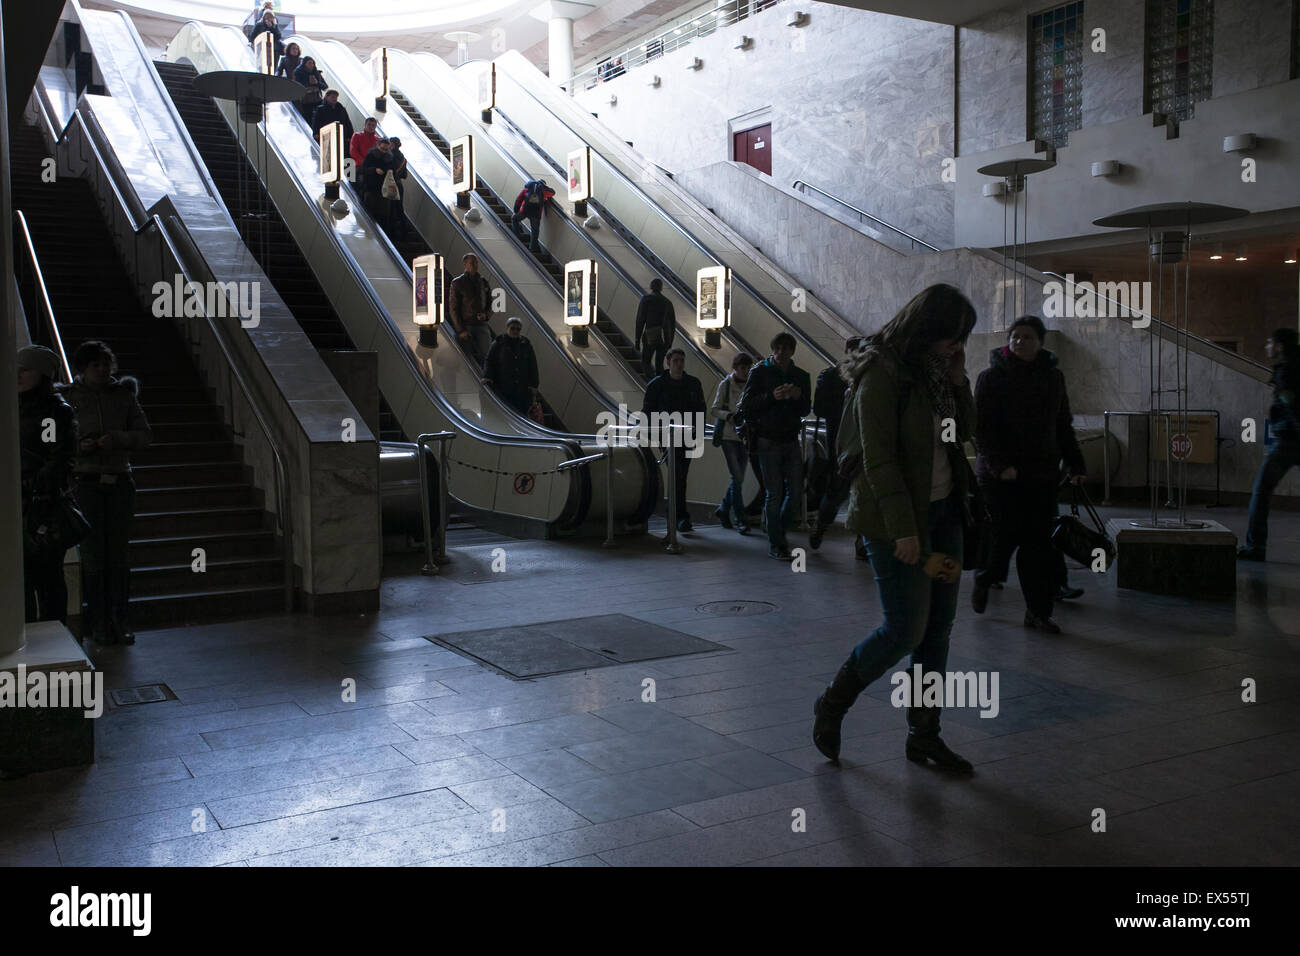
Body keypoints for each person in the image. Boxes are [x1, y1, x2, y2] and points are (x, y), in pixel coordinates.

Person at [811, 283, 977, 771]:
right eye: (952, 336)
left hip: (945, 517)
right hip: (894, 523)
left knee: (937, 631)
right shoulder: (880, 373)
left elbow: (965, 432)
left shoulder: (938, 373)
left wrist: (959, 381)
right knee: (905, 630)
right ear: (927, 328)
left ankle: (924, 735)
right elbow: (878, 458)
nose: (956, 345)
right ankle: (833, 701)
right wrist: (905, 529)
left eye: (961, 338)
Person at [969, 316, 1085, 635]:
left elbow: (1062, 425)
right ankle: (985, 577)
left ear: (1040, 343)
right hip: (1000, 479)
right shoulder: (991, 378)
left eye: (1027, 337)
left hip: (1041, 477)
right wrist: (999, 466)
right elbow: (982, 430)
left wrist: (1075, 464)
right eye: (1015, 336)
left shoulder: (1053, 378)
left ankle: (1038, 612)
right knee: (1001, 541)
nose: (1020, 341)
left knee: (1039, 547)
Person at [61, 341, 151, 645]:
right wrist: (80, 447)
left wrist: (117, 439)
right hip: (85, 482)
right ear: (83, 368)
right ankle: (98, 621)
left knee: (118, 553)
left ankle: (119, 618)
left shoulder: (123, 395)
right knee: (93, 554)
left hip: (119, 479)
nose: (101, 370)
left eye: (105, 364)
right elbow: (55, 441)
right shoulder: (69, 398)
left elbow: (144, 435)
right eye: (95, 365)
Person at [736, 332, 811, 560]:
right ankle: (777, 543)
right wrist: (772, 396)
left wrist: (798, 396)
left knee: (796, 492)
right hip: (767, 440)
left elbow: (805, 409)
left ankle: (777, 529)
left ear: (792, 352)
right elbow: (746, 406)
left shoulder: (801, 376)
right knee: (774, 493)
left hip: (791, 439)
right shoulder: (760, 372)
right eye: (777, 348)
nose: (781, 353)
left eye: (785, 349)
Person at [18, 345, 77, 625]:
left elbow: (57, 459)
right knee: (23, 580)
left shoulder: (53, 412)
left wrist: (27, 485)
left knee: (47, 578)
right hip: (22, 504)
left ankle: (55, 634)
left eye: (26, 370)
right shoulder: (15, 407)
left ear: (42, 374)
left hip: (41, 507)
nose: (18, 375)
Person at [1239, 327, 1300, 561]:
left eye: (1269, 342)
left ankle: (1255, 547)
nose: (1267, 347)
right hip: (1291, 438)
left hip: (1288, 441)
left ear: (1280, 346)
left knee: (1261, 491)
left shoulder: (1286, 371)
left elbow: (1291, 406)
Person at [810, 336, 867, 558]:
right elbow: (820, 409)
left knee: (857, 494)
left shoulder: (864, 378)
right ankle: (822, 524)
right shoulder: (833, 377)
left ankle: (861, 541)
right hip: (842, 444)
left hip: (854, 444)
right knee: (838, 492)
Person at [644, 348, 707, 532]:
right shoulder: (657, 385)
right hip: (667, 437)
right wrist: (654, 434)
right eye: (676, 361)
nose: (679, 364)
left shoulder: (693, 384)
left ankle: (676, 515)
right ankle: (679, 516)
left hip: (686, 436)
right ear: (668, 362)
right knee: (677, 475)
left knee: (680, 475)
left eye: (681, 360)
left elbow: (700, 409)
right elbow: (648, 411)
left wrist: (697, 433)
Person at [710, 352, 754, 533]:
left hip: (745, 437)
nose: (746, 371)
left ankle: (723, 509)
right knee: (737, 477)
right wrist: (728, 415)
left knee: (738, 478)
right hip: (728, 436)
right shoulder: (726, 384)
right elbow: (714, 409)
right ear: (735, 368)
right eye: (743, 368)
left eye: (748, 368)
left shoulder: (752, 385)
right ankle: (740, 518)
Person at [482, 318, 540, 417]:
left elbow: (532, 365)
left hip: (521, 388)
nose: (515, 331)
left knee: (521, 413)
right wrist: (487, 376)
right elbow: (489, 360)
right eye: (512, 328)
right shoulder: (499, 343)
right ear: (507, 328)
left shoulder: (525, 344)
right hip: (503, 387)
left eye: (518, 329)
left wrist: (534, 384)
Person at [449, 254, 495, 366]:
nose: (475, 265)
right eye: (472, 263)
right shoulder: (458, 283)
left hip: (481, 324)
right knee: (465, 359)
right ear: (465, 265)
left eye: (476, 263)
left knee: (488, 356)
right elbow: (453, 308)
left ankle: (486, 376)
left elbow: (491, 303)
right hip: (466, 325)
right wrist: (460, 329)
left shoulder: (483, 281)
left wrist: (486, 315)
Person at [635, 278, 676, 379]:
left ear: (651, 287)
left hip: (650, 335)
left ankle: (651, 382)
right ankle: (660, 382)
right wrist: (670, 342)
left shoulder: (646, 299)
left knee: (646, 361)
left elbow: (640, 320)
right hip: (665, 337)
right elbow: (672, 324)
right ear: (661, 288)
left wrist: (637, 339)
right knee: (659, 363)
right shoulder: (668, 302)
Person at [511, 178, 555, 253]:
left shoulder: (527, 188)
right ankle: (532, 248)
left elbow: (518, 199)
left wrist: (516, 211)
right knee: (535, 230)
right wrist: (546, 188)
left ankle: (516, 237)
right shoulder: (543, 190)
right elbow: (553, 193)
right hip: (536, 213)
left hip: (525, 210)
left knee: (514, 219)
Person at [359, 137, 396, 225]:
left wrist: (389, 171)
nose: (383, 151)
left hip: (383, 191)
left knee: (382, 216)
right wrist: (374, 170)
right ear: (378, 146)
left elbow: (394, 172)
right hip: (370, 188)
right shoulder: (371, 156)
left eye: (386, 150)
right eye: (382, 148)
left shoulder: (390, 158)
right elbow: (362, 170)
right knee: (369, 212)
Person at [387, 136, 409, 241]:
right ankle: (404, 233)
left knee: (391, 209)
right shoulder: (403, 158)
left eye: (390, 144)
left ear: (394, 145)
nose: (389, 146)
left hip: (390, 184)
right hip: (399, 185)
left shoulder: (389, 156)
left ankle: (392, 235)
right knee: (399, 209)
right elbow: (404, 175)